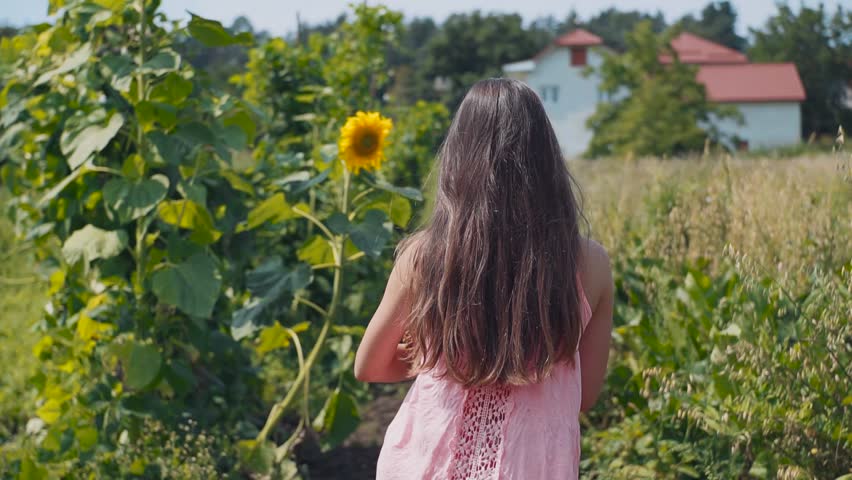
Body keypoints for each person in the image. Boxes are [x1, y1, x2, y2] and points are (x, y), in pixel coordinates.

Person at [354, 78, 613, 479]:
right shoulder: (590, 264)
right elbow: (586, 394)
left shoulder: (424, 257)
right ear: (546, 161)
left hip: (429, 462)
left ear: (458, 158)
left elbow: (370, 365)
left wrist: (437, 357)